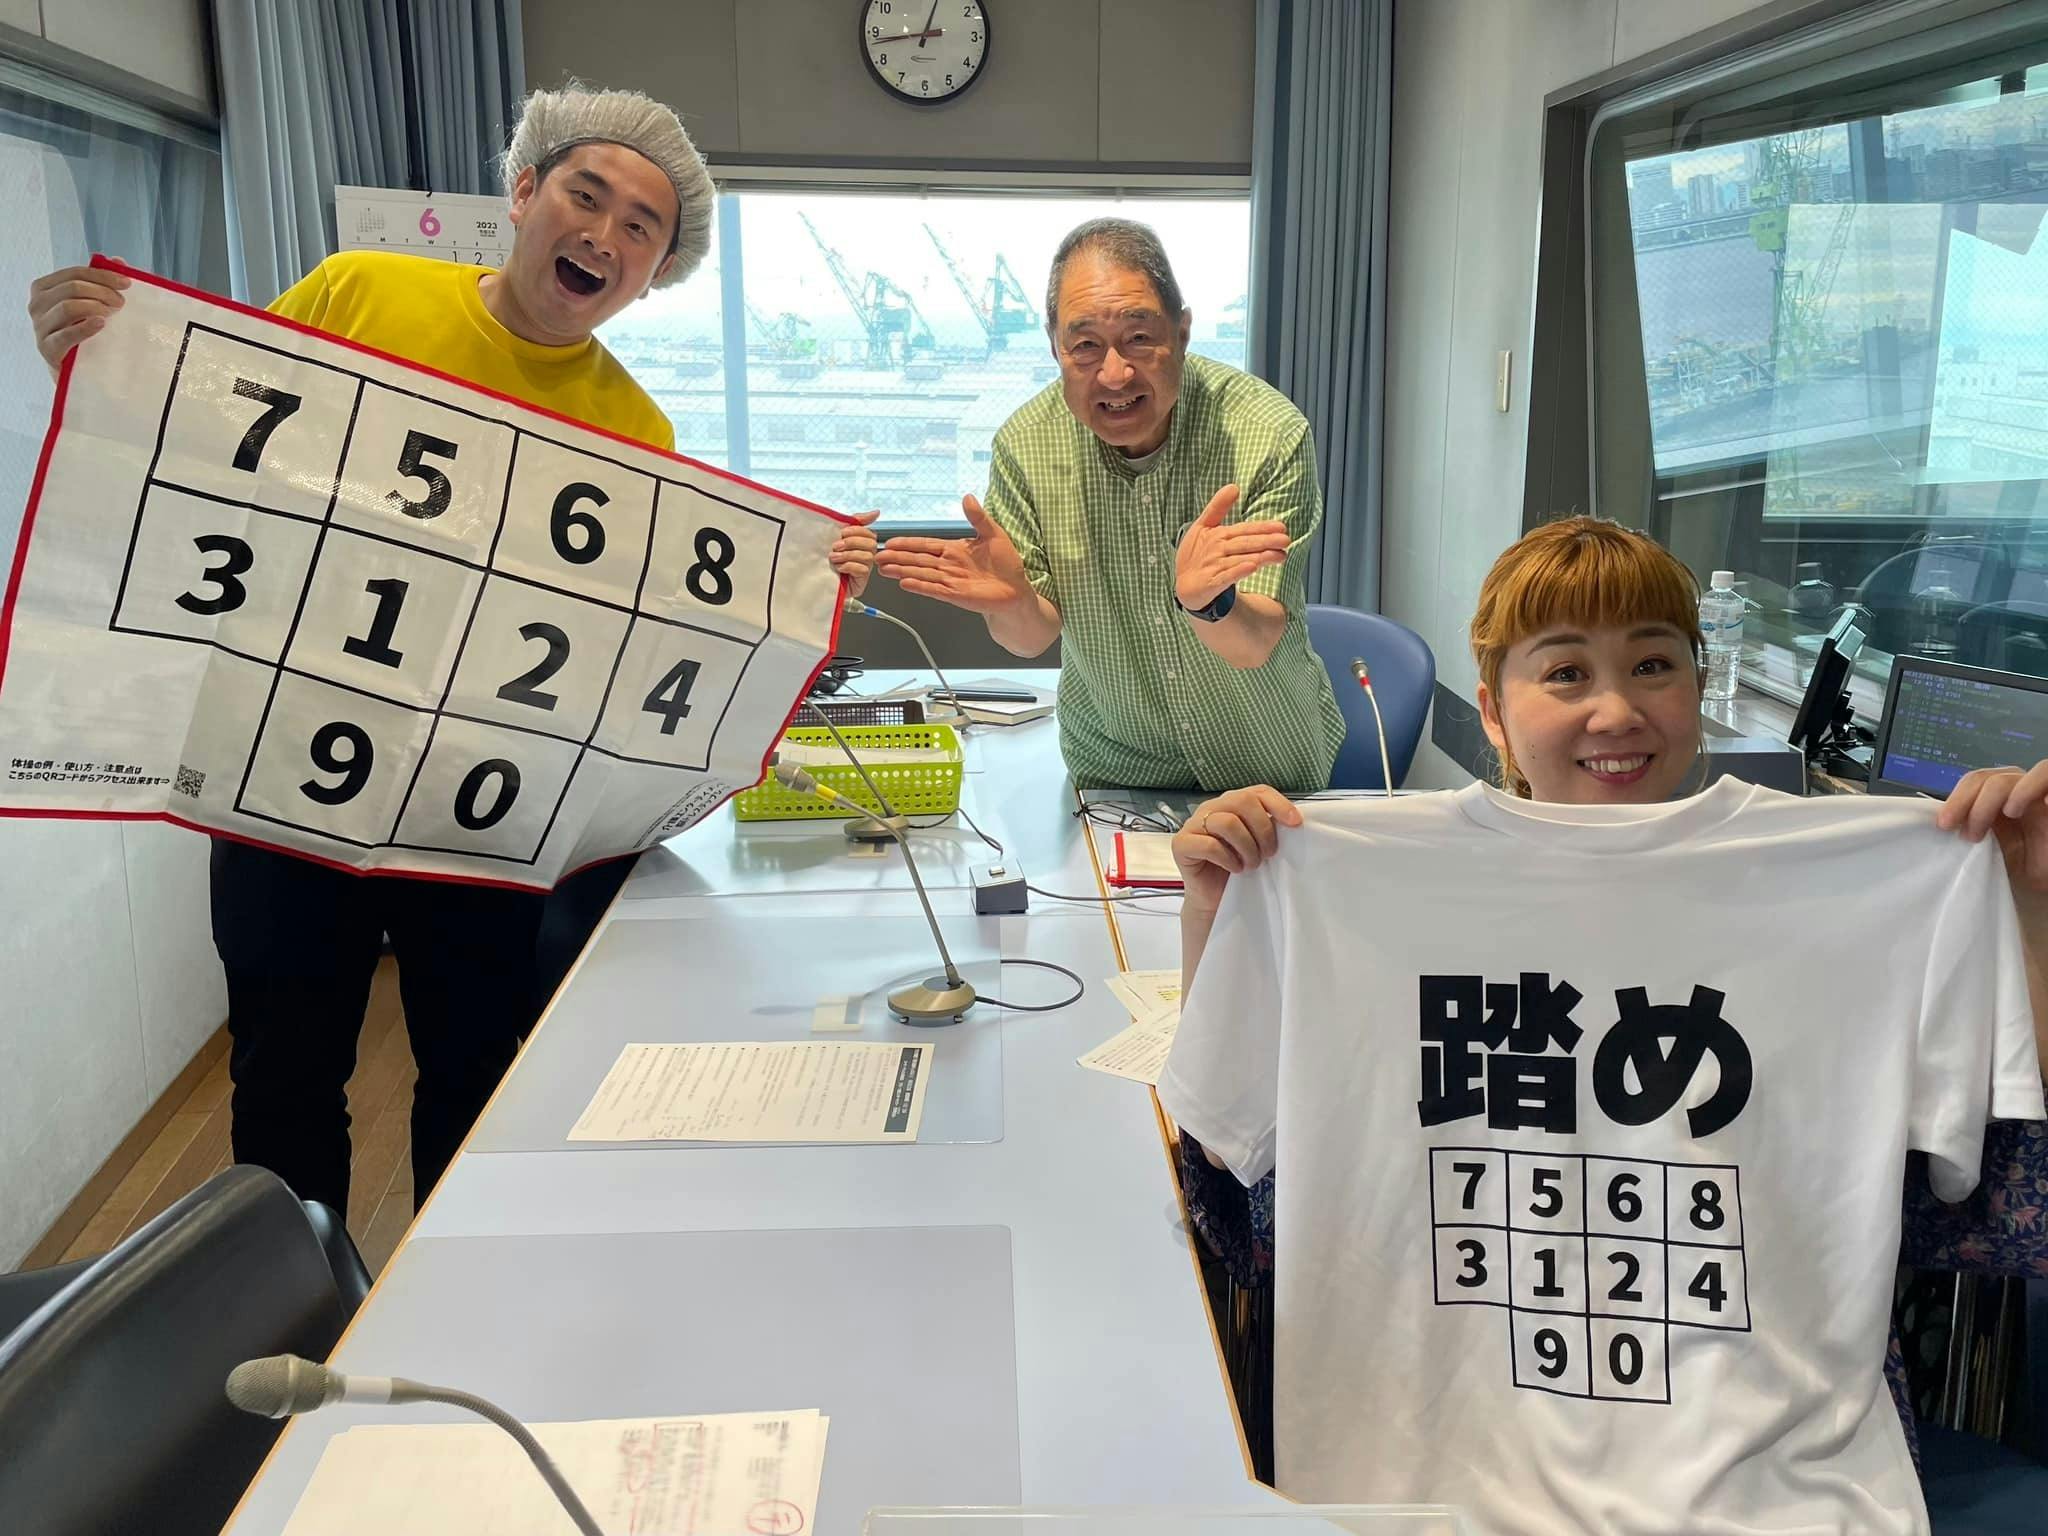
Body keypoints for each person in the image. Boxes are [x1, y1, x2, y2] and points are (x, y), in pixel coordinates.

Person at [24, 85, 878, 1219]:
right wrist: (103, 360)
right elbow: (213, 435)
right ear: (523, 192)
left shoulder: (637, 432)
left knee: (475, 1072)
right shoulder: (359, 291)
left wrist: (800, 582)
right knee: (283, 1075)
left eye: (640, 228)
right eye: (586, 197)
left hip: (479, 803)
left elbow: (643, 632)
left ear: (656, 272)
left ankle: (456, 1297)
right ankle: (300, 1310)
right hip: (284, 770)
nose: (604, 236)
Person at [1159, 516, 2048, 1531]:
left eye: (1653, 664)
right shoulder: (1351, 876)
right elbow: (1233, 1157)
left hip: (1770, 1485)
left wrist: (2025, 903)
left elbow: (2001, 1185)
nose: (1616, 710)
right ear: (1492, 712)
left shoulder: (1856, 885)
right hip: (1432, 1483)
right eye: (1566, 673)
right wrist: (1216, 914)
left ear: (1697, 686)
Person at [874, 217, 1343, 793]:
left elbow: (1255, 642)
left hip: (1266, 762)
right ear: (1055, 347)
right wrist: (1013, 602)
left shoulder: (1265, 433)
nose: (1115, 374)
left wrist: (1210, 603)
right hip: (1118, 772)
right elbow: (1029, 637)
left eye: (1140, 338)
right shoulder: (1026, 445)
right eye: (1086, 346)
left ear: (1183, 332)